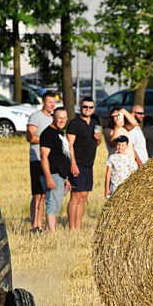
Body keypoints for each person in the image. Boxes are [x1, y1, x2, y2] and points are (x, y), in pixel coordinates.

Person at [65, 97, 101, 233]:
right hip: (77, 163)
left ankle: (78, 227)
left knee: (84, 197)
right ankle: (71, 228)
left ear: (94, 108)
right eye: (85, 106)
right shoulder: (74, 123)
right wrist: (73, 164)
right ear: (80, 106)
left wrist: (99, 139)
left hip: (89, 165)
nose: (88, 109)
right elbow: (69, 145)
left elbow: (97, 143)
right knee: (76, 196)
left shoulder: (95, 123)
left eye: (90, 107)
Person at [26, 91, 57, 232]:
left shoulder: (54, 119)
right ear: (43, 103)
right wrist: (49, 142)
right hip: (37, 159)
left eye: (54, 102)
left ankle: (43, 224)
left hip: (50, 160)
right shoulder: (36, 116)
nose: (52, 105)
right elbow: (30, 137)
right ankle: (35, 225)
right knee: (37, 193)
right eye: (50, 102)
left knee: (46, 194)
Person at [39, 107, 72, 234]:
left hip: (60, 176)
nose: (62, 121)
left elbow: (63, 155)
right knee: (52, 205)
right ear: (53, 118)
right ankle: (52, 234)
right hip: (52, 174)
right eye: (60, 118)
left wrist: (66, 177)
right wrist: (48, 177)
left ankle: (48, 232)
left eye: (65, 118)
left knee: (57, 205)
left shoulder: (60, 133)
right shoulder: (48, 134)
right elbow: (44, 157)